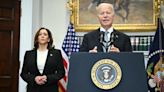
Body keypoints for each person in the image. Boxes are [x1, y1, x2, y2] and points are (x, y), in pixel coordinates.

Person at [20, 27, 65, 92]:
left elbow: (61, 73)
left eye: (45, 34)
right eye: (40, 34)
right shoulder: (29, 54)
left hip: (50, 88)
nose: (42, 36)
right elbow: (23, 74)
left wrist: (47, 78)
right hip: (33, 89)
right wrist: (34, 78)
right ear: (37, 38)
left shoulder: (56, 53)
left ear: (49, 39)